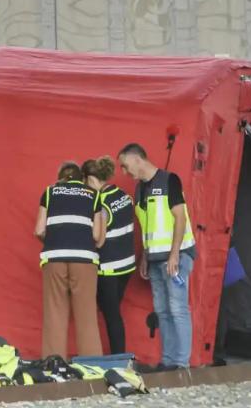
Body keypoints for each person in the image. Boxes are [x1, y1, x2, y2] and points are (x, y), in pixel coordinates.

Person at [118, 143, 195, 370]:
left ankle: (181, 363)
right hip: (154, 259)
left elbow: (180, 218)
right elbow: (147, 226)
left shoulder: (170, 180)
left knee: (178, 308)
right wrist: (144, 257)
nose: (124, 171)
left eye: (125, 165)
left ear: (137, 159)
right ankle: (168, 360)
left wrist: (174, 255)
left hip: (176, 256)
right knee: (162, 310)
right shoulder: (140, 189)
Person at [35, 161, 105, 359]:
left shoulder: (49, 193)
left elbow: (39, 229)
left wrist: (53, 239)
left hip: (54, 257)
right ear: (81, 179)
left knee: (54, 313)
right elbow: (96, 235)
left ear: (60, 177)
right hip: (84, 259)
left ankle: (53, 366)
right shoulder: (93, 195)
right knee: (87, 315)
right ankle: (92, 366)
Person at [82, 156, 135, 354]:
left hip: (109, 268)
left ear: (91, 180)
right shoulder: (122, 194)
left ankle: (118, 358)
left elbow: (98, 238)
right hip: (127, 265)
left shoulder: (101, 203)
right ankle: (118, 356)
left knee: (112, 315)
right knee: (112, 312)